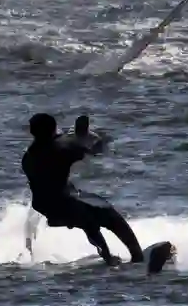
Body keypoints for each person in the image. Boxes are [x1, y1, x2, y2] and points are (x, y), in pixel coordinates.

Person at [21, 112, 144, 266]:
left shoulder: (29, 155)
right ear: (52, 130)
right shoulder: (60, 150)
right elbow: (88, 151)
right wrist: (95, 142)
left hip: (45, 204)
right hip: (61, 204)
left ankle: (113, 257)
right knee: (104, 217)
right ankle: (123, 258)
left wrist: (70, 138)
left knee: (93, 213)